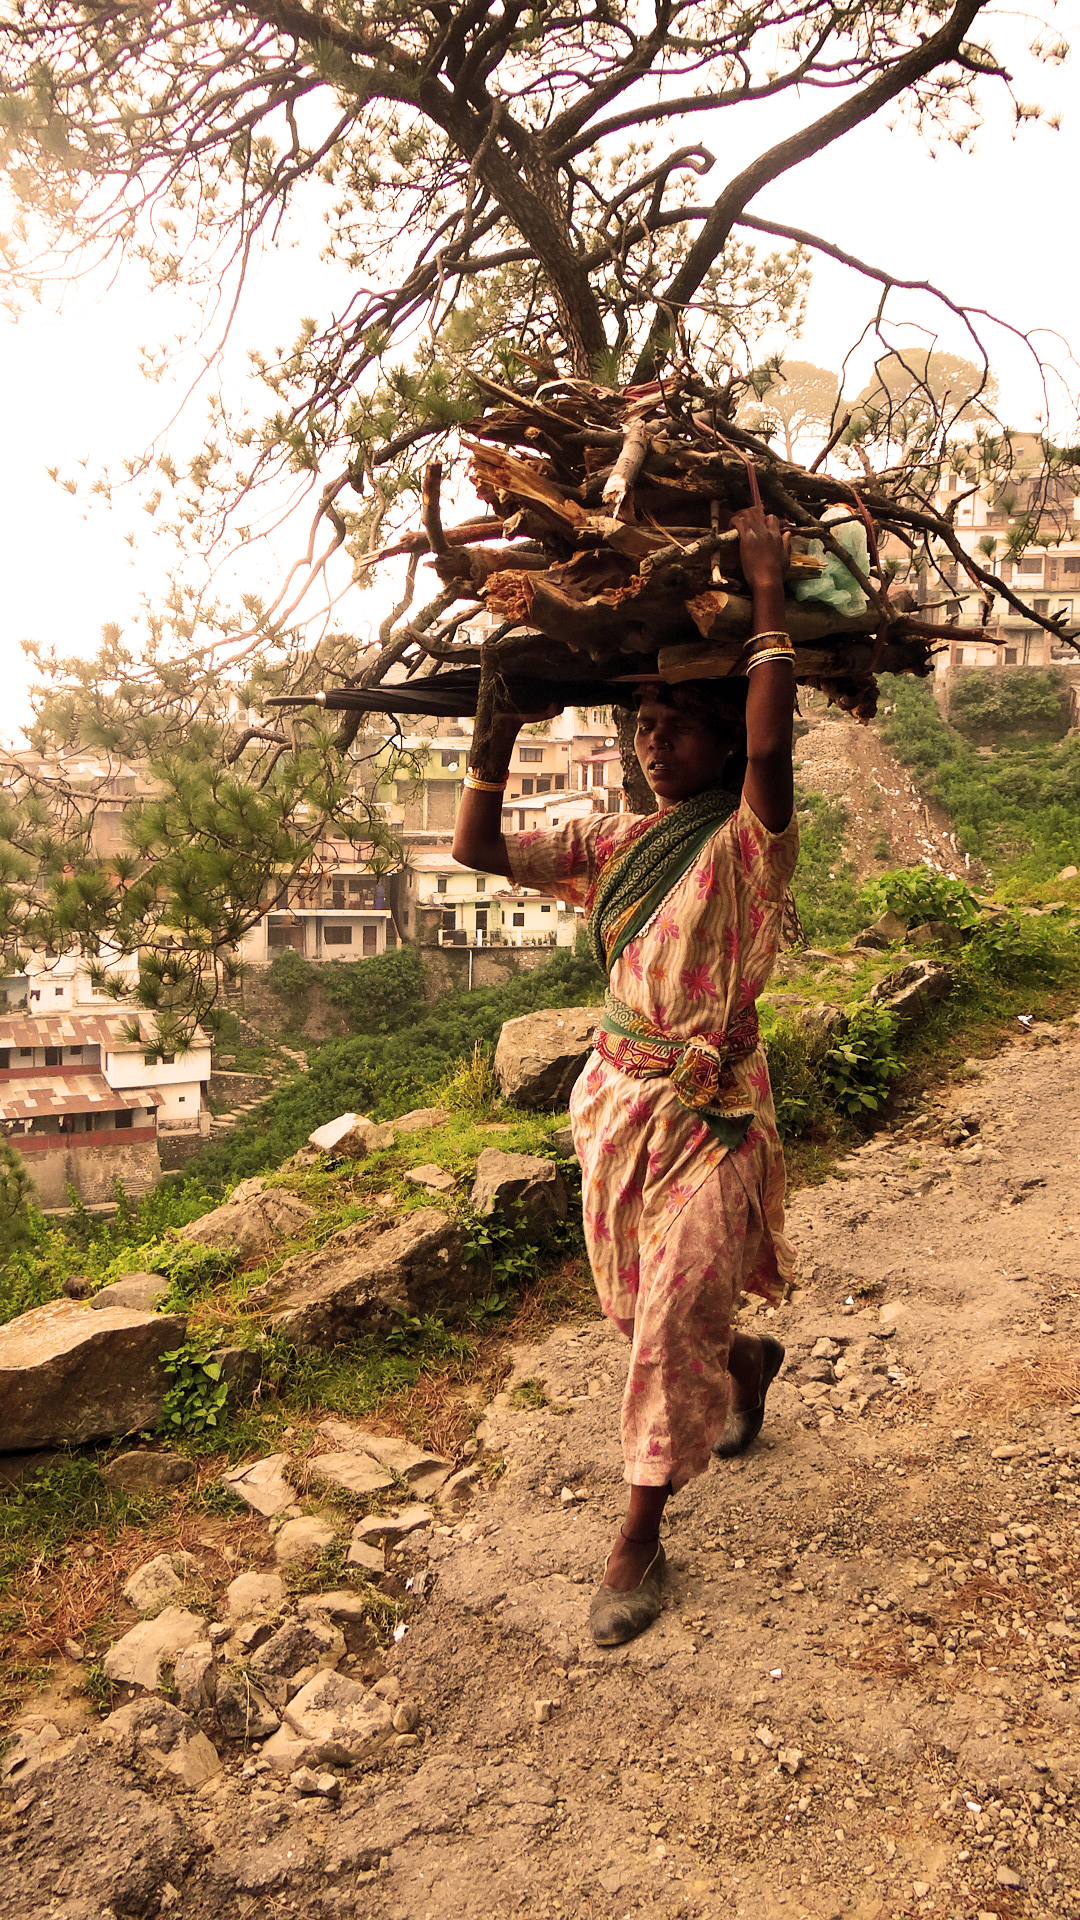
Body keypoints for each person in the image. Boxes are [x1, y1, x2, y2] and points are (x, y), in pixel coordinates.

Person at [452, 503, 798, 1647]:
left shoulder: (747, 842)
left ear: (717, 740)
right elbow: (479, 852)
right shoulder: (614, 844)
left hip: (711, 1113)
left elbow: (768, 751)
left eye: (678, 722)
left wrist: (766, 599)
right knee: (640, 1309)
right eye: (643, 720)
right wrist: (493, 737)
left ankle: (637, 1540)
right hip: (614, 1105)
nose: (655, 740)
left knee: (665, 1319)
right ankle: (743, 1361)